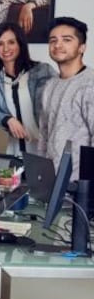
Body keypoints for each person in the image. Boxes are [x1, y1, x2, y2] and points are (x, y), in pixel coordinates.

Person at [0, 22, 55, 155]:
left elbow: (57, 107)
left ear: (20, 44)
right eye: (0, 43)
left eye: (11, 42)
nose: (6, 48)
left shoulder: (43, 71)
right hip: (16, 148)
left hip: (45, 147)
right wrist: (8, 119)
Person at [38, 16, 94, 181]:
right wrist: (42, 176)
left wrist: (88, 188)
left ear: (82, 47)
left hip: (81, 188)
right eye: (53, 40)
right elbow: (44, 136)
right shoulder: (50, 86)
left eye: (67, 40)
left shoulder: (90, 84)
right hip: (52, 185)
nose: (57, 45)